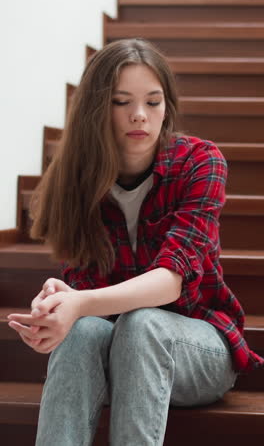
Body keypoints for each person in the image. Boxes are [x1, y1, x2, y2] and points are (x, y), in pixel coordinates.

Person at [7, 38, 264, 446]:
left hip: (196, 349)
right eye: (121, 101)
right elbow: (88, 297)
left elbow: (170, 282)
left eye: (153, 102)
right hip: (115, 353)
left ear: (167, 107)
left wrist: (81, 302)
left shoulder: (200, 162)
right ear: (96, 109)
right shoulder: (76, 180)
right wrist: (61, 303)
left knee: (142, 324)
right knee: (82, 331)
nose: (140, 116)